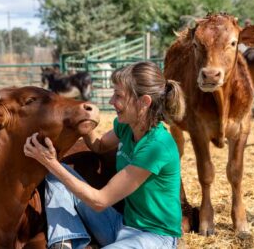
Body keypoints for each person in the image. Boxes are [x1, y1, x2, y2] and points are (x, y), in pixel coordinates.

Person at [24, 61, 186, 249]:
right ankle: (64, 242)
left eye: (118, 96)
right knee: (56, 174)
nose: (111, 101)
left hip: (155, 238)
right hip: (121, 226)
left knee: (55, 168)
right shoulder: (127, 126)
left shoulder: (157, 146)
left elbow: (100, 201)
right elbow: (99, 146)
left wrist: (50, 161)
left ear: (144, 102)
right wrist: (84, 126)